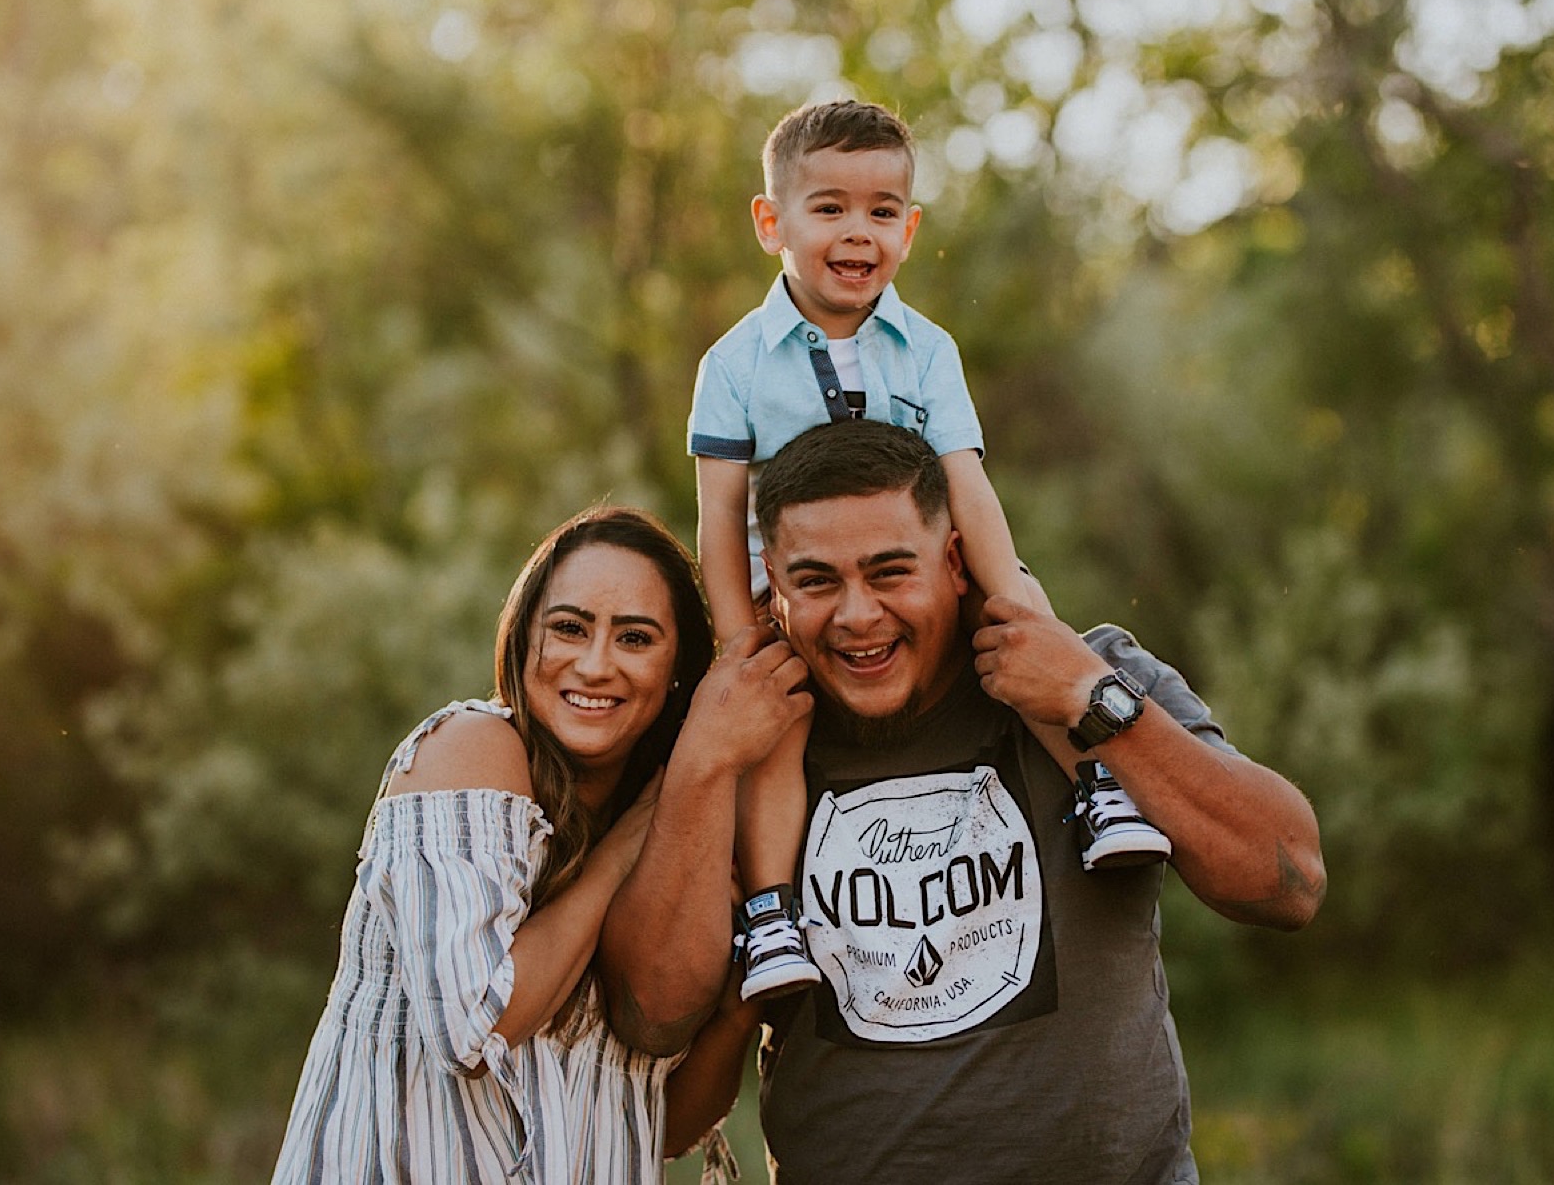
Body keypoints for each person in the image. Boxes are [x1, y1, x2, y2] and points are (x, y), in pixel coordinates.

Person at [603, 421, 1327, 1182]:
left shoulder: (1090, 676)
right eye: (817, 581)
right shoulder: (748, 742)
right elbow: (652, 1017)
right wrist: (701, 763)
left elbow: (1290, 881)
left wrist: (1091, 699)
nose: (857, 615)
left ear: (953, 561)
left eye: (889, 573)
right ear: (771, 590)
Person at [687, 100, 1168, 1004]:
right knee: (775, 719)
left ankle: (1097, 786)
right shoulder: (735, 364)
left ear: (908, 230)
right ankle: (769, 915)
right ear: (771, 222)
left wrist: (1009, 589)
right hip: (792, 590)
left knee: (1024, 636)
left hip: (919, 570)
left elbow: (965, 483)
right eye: (828, 208)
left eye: (880, 212)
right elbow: (719, 516)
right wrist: (734, 636)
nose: (855, 232)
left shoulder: (927, 352)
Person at [270, 507, 808, 1184]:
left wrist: (736, 1006)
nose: (594, 664)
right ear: (524, 639)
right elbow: (474, 1028)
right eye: (569, 628)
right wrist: (621, 854)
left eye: (635, 638)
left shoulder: (675, 830)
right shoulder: (470, 751)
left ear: (678, 671)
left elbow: (656, 1124)